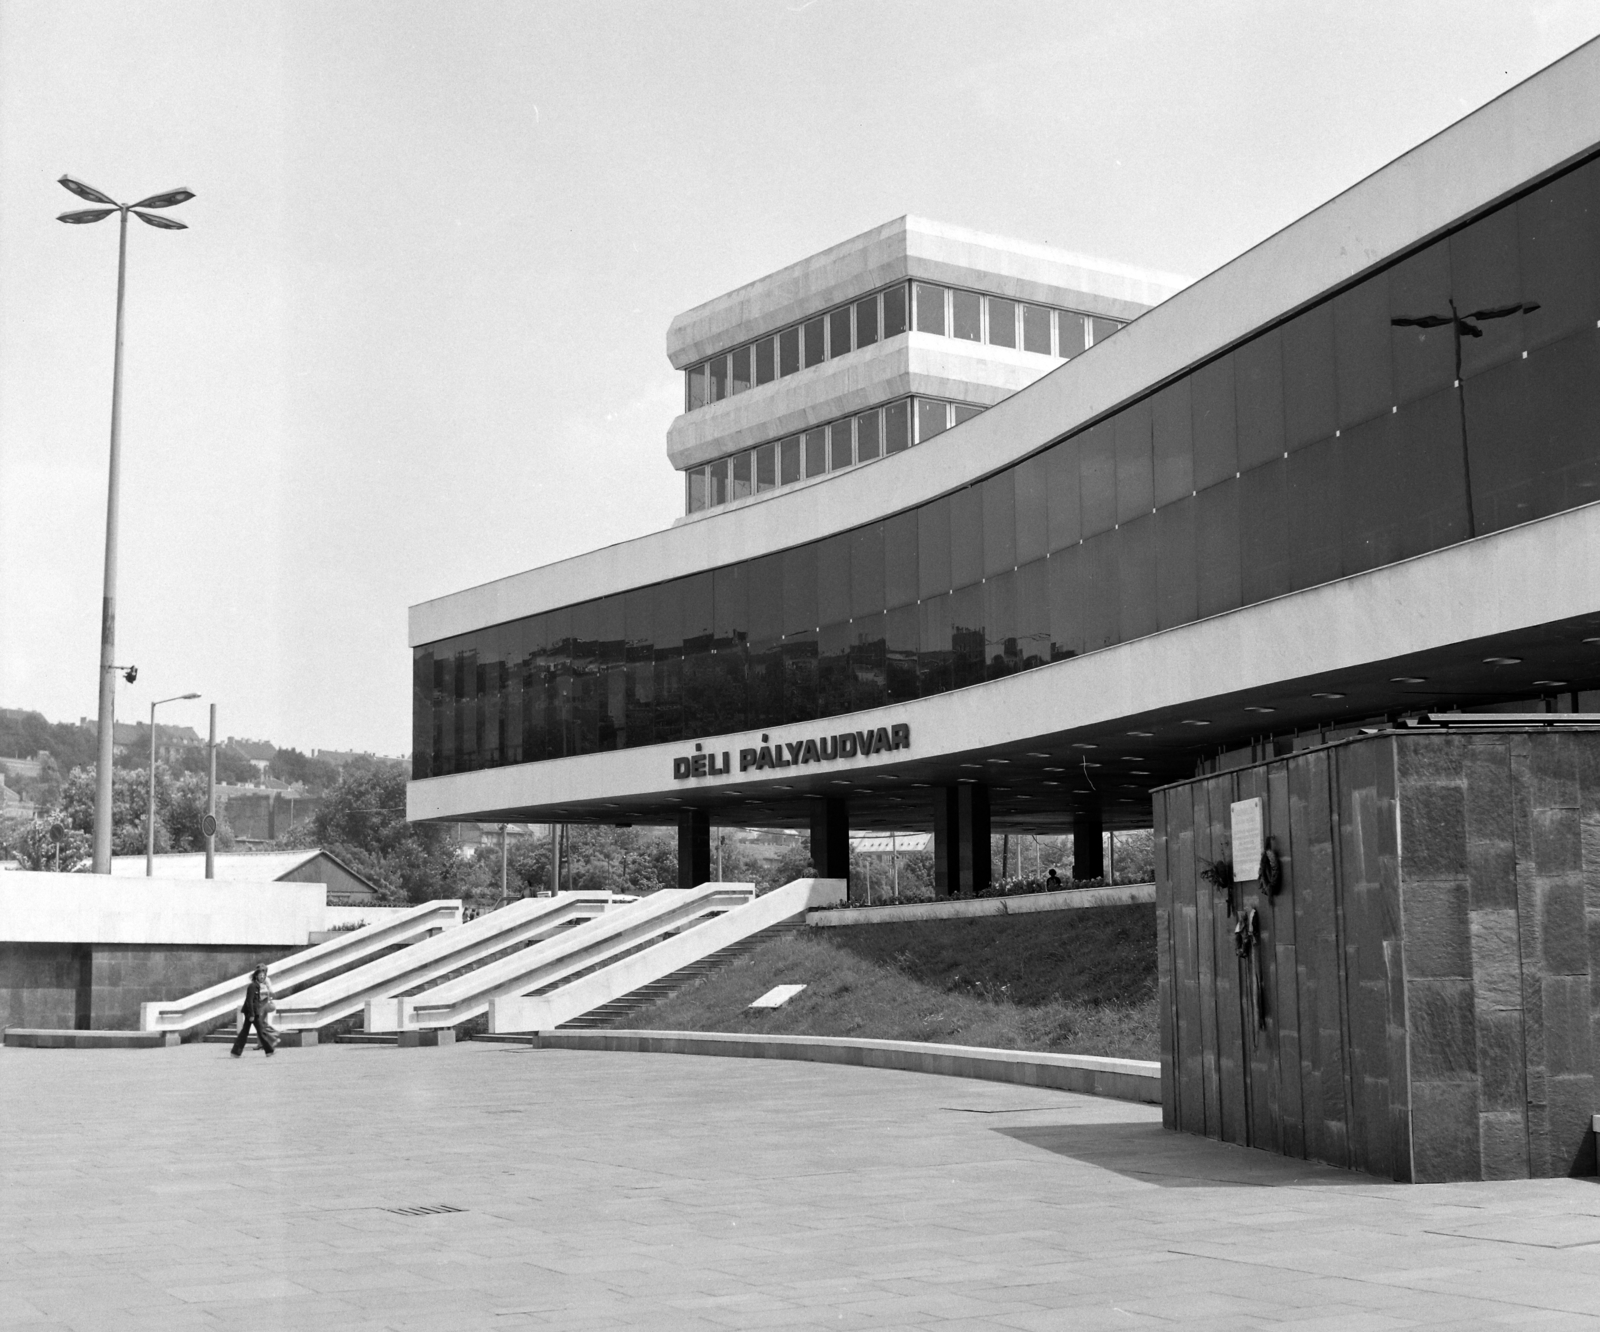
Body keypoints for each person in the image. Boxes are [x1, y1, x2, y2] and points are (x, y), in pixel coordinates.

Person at [231, 963, 277, 1057]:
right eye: (260, 975)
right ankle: (269, 1051)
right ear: (256, 976)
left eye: (263, 976)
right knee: (260, 1031)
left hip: (253, 1012)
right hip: (252, 1013)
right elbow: (249, 1001)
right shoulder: (252, 986)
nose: (262, 977)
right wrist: (252, 1015)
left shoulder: (257, 985)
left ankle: (235, 1052)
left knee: (245, 1032)